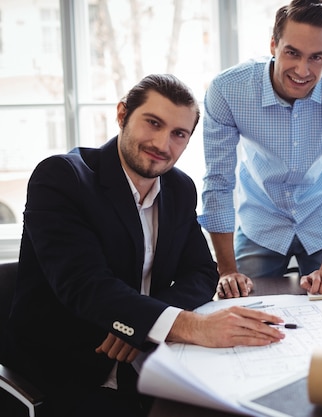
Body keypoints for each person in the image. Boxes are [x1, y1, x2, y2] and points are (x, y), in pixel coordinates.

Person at [0, 74, 285, 417]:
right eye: (153, 123)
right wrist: (184, 325)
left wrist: (142, 323)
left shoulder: (179, 188)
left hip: (150, 362)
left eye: (179, 134)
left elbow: (201, 272)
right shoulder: (62, 178)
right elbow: (86, 286)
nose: (163, 144)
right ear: (122, 115)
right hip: (70, 370)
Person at [200, 0, 322, 299]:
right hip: (260, 219)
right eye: (292, 53)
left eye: (316, 57)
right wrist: (226, 271)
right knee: (244, 308)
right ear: (273, 45)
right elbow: (218, 183)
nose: (302, 70)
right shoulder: (227, 89)